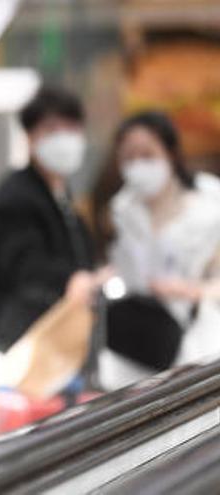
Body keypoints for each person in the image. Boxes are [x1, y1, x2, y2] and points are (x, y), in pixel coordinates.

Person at [0, 85, 106, 356]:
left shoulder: (61, 194)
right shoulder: (16, 196)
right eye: (52, 129)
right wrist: (68, 280)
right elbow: (24, 264)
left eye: (71, 128)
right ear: (31, 137)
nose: (64, 138)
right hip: (24, 338)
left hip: (58, 335)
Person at [90, 111, 220, 387]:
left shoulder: (209, 204)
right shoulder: (121, 210)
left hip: (199, 343)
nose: (137, 165)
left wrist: (190, 290)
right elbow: (122, 268)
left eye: (147, 154)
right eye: (128, 157)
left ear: (171, 153)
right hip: (133, 351)